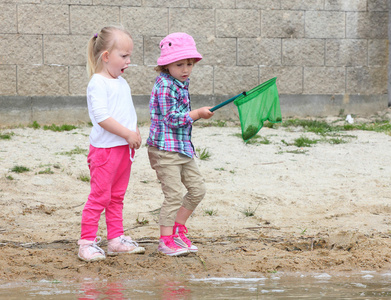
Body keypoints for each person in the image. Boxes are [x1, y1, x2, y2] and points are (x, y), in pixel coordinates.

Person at [77, 25, 145, 262]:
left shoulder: (121, 83)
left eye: (130, 56)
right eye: (124, 56)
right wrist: (127, 134)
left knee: (117, 196)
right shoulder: (98, 82)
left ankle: (116, 238)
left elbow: (128, 112)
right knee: (99, 196)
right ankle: (86, 242)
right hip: (105, 152)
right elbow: (102, 117)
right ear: (106, 56)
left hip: (123, 152)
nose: (128, 61)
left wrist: (134, 131)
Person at [147, 32, 214, 256]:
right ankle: (165, 241)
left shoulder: (180, 82)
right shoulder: (165, 86)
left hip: (182, 148)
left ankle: (178, 228)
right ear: (167, 65)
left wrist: (195, 114)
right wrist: (196, 114)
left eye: (189, 64)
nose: (186, 69)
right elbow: (172, 119)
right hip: (164, 150)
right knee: (174, 195)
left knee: (197, 189)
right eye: (180, 64)